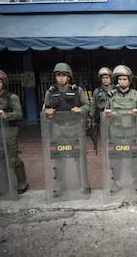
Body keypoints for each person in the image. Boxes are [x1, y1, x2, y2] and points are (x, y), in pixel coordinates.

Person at [43, 62, 91, 194]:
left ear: (69, 77)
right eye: (58, 75)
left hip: (75, 130)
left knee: (80, 159)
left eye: (64, 75)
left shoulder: (77, 90)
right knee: (59, 160)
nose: (61, 78)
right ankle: (60, 185)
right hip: (58, 131)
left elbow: (88, 106)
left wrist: (80, 109)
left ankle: (83, 184)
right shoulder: (50, 92)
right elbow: (44, 110)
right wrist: (48, 112)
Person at [0, 68, 29, 194]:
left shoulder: (11, 97)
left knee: (12, 158)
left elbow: (19, 114)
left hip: (9, 131)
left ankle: (22, 181)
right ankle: (4, 184)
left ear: (4, 83)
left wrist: (5, 115)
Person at [104, 65, 137, 193]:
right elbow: (106, 112)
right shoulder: (111, 96)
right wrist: (107, 113)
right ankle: (117, 183)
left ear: (129, 81)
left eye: (124, 79)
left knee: (134, 160)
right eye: (120, 79)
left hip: (132, 133)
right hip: (116, 133)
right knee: (117, 161)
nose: (122, 81)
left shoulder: (136, 95)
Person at [89, 67, 113, 152]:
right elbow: (94, 106)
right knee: (105, 138)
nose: (105, 80)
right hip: (102, 118)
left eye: (107, 78)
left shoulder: (116, 90)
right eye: (103, 78)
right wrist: (93, 120)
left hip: (114, 117)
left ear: (111, 78)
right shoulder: (97, 91)